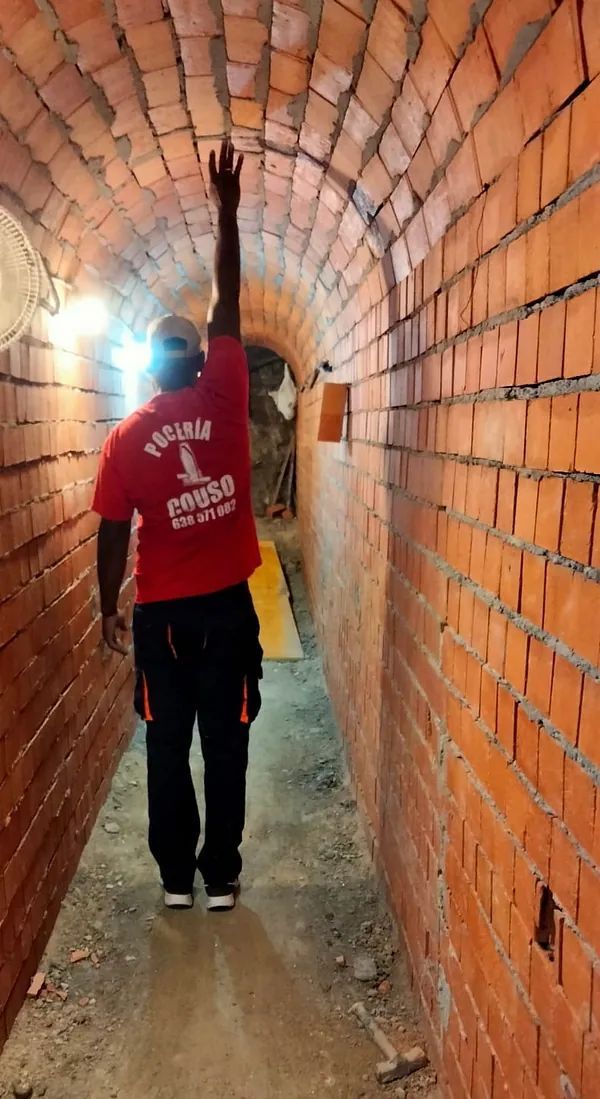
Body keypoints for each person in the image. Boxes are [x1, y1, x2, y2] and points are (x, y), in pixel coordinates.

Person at [92, 139, 263, 912]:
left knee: (166, 744)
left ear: (151, 365)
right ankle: (221, 872)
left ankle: (175, 880)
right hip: (226, 607)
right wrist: (226, 212)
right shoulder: (225, 394)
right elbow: (227, 299)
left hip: (161, 614)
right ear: (197, 358)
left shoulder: (126, 437)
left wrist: (106, 605)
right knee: (225, 737)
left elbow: (109, 530)